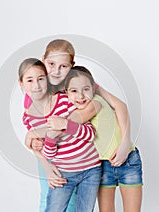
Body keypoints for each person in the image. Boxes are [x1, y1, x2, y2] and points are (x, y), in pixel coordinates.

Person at [23, 39, 134, 211]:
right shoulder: (36, 87)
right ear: (43, 60)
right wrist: (38, 150)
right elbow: (33, 130)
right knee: (48, 200)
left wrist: (125, 142)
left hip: (80, 154)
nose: (56, 71)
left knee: (75, 204)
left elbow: (117, 106)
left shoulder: (79, 82)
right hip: (50, 154)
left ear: (72, 66)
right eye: (51, 64)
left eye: (64, 66)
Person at [19, 58, 101, 212]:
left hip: (91, 169)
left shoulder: (66, 99)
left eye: (41, 79)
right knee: (52, 205)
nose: (36, 85)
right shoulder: (29, 114)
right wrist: (49, 138)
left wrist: (65, 125)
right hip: (63, 169)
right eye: (30, 80)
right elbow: (46, 151)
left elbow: (90, 130)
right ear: (21, 83)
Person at [60, 66, 143, 212]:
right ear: (66, 92)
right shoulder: (75, 107)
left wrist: (125, 143)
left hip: (128, 160)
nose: (80, 96)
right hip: (101, 166)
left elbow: (65, 124)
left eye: (86, 89)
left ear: (94, 88)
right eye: (74, 91)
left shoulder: (95, 102)